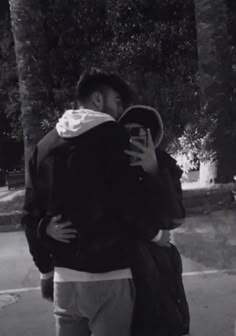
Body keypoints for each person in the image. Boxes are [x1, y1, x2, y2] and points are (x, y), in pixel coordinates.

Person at [22, 69, 164, 336]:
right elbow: (133, 206)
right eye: (118, 101)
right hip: (111, 276)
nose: (121, 111)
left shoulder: (43, 147)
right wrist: (157, 233)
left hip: (65, 281)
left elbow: (31, 214)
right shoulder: (120, 141)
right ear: (98, 99)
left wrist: (45, 269)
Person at [45, 103, 190, 335]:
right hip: (115, 267)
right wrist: (46, 228)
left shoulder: (163, 166)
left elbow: (173, 217)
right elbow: (75, 206)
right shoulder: (105, 164)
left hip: (153, 270)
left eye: (140, 133)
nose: (132, 139)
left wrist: (153, 171)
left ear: (153, 138)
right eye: (127, 131)